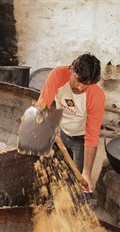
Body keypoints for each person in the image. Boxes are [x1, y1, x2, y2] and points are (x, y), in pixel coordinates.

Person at [36, 53, 105, 193]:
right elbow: (42, 105)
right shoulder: (58, 75)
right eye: (78, 80)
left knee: (78, 181)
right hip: (62, 133)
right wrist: (47, 127)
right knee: (57, 172)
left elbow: (92, 138)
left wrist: (86, 172)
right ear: (72, 69)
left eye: (86, 84)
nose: (80, 87)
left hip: (81, 139)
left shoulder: (96, 96)